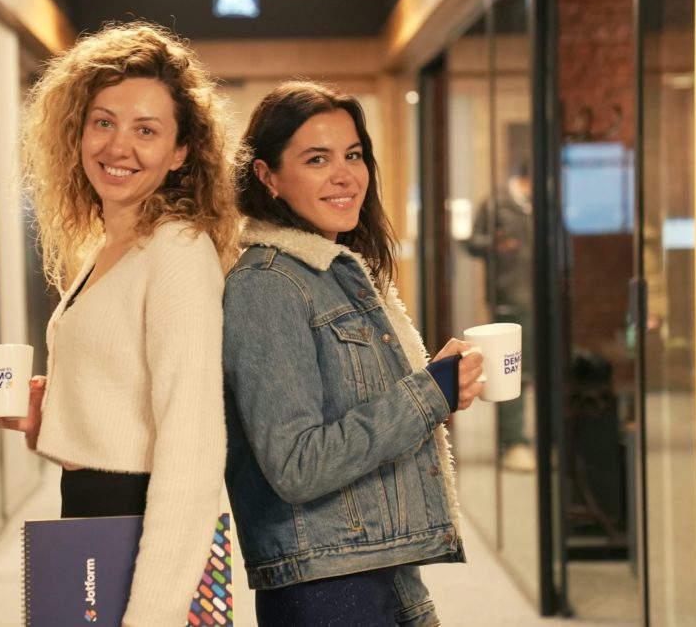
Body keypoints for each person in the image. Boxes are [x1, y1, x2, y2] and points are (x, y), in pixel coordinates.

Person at [0, 22, 240, 626]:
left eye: (146, 130)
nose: (118, 146)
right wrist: (51, 416)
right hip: (95, 507)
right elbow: (129, 404)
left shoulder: (177, 250)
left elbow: (193, 443)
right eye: (104, 121)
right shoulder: (107, 246)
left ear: (180, 153)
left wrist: (155, 612)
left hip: (145, 523)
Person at [222, 80, 484, 626]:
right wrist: (429, 393)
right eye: (317, 159)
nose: (345, 175)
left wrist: (438, 382)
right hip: (326, 589)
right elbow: (295, 464)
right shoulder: (268, 284)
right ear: (267, 176)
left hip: (371, 567)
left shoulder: (330, 273)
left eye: (354, 155)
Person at [464, 163, 535, 472]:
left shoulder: (543, 204)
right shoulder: (495, 204)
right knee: (510, 372)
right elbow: (472, 242)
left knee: (534, 373)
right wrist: (496, 245)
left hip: (541, 300)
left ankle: (535, 441)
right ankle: (512, 443)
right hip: (509, 298)